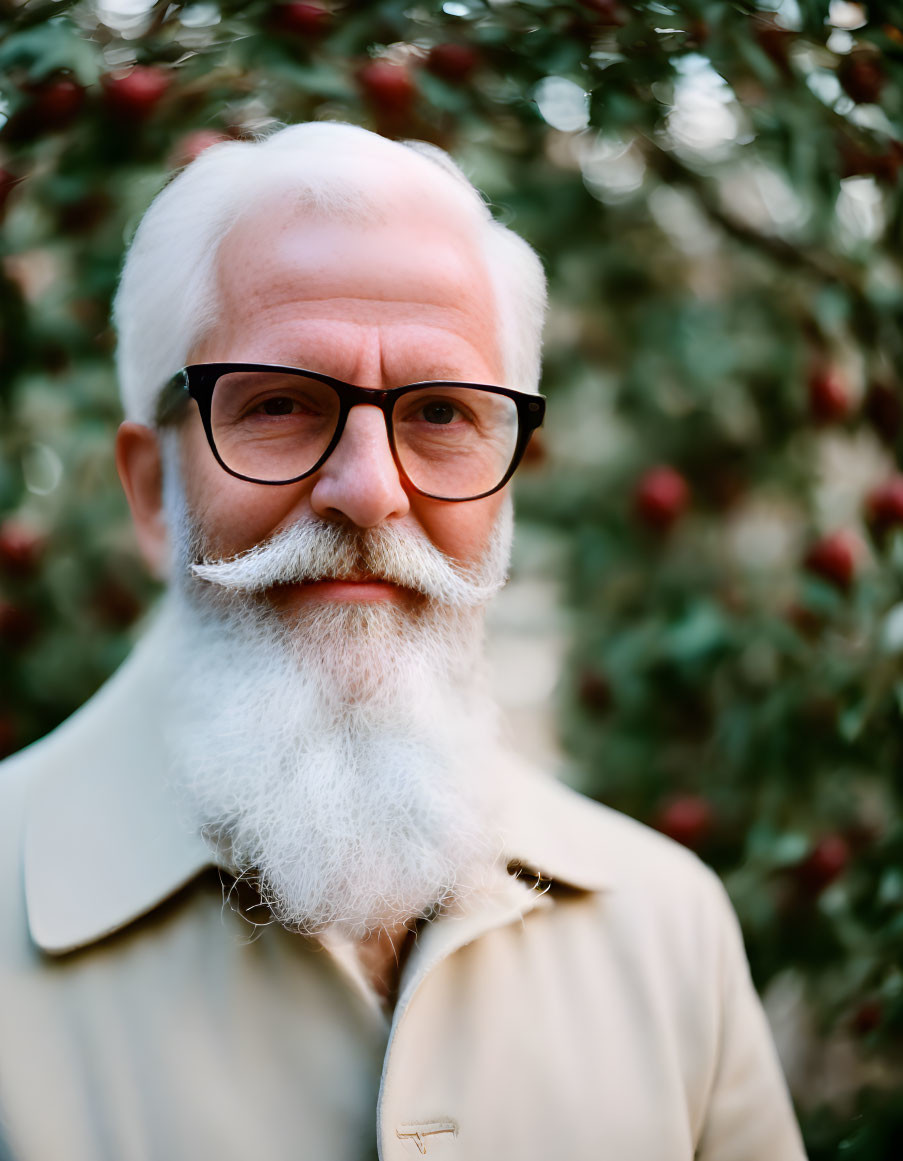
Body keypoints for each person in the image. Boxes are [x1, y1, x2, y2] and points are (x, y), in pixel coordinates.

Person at [0, 122, 806, 1161]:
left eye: (438, 413)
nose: (372, 492)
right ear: (154, 491)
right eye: (281, 404)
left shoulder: (667, 930)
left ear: (508, 486)